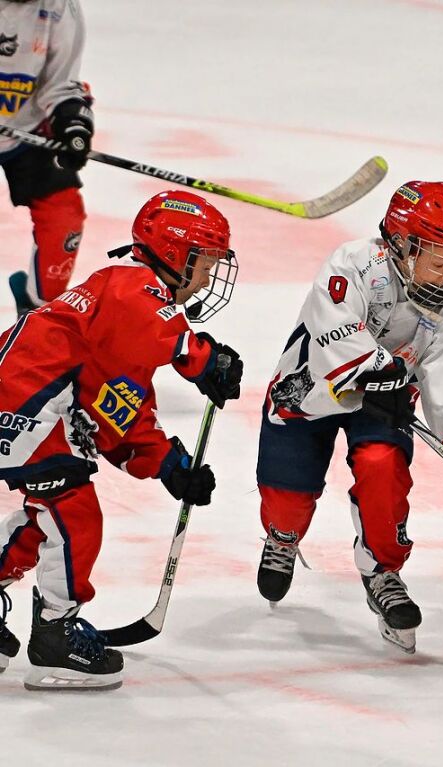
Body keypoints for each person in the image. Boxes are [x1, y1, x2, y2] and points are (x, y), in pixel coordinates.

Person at [0, 190, 243, 690]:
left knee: (49, 520)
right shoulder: (132, 286)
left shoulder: (124, 311)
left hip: (34, 400)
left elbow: (120, 407)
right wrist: (202, 358)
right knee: (74, 515)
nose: (207, 278)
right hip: (27, 400)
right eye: (205, 262)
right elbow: (159, 331)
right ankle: (54, 638)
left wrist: (169, 463)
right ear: (176, 253)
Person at [255, 180, 443, 655]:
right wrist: (373, 371)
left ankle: (383, 571)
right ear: (403, 246)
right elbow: (334, 330)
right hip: (312, 390)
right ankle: (282, 536)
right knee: (287, 495)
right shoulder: (354, 264)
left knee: (382, 468)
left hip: (385, 402)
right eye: (439, 261)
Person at [1, 0, 93, 315]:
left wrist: (73, 124)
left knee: (64, 218)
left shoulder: (60, 7)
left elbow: (62, 84)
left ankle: (37, 317)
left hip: (28, 127)